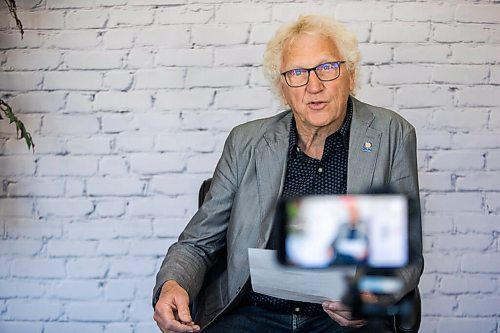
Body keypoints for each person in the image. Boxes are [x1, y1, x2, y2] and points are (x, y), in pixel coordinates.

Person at [153, 14, 423, 333]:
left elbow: (405, 252)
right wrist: (173, 284)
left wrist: (372, 297)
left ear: (350, 74)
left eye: (327, 67)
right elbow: (198, 243)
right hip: (253, 312)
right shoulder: (245, 143)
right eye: (297, 72)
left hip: (340, 319)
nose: (314, 86)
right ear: (283, 88)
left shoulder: (392, 134)